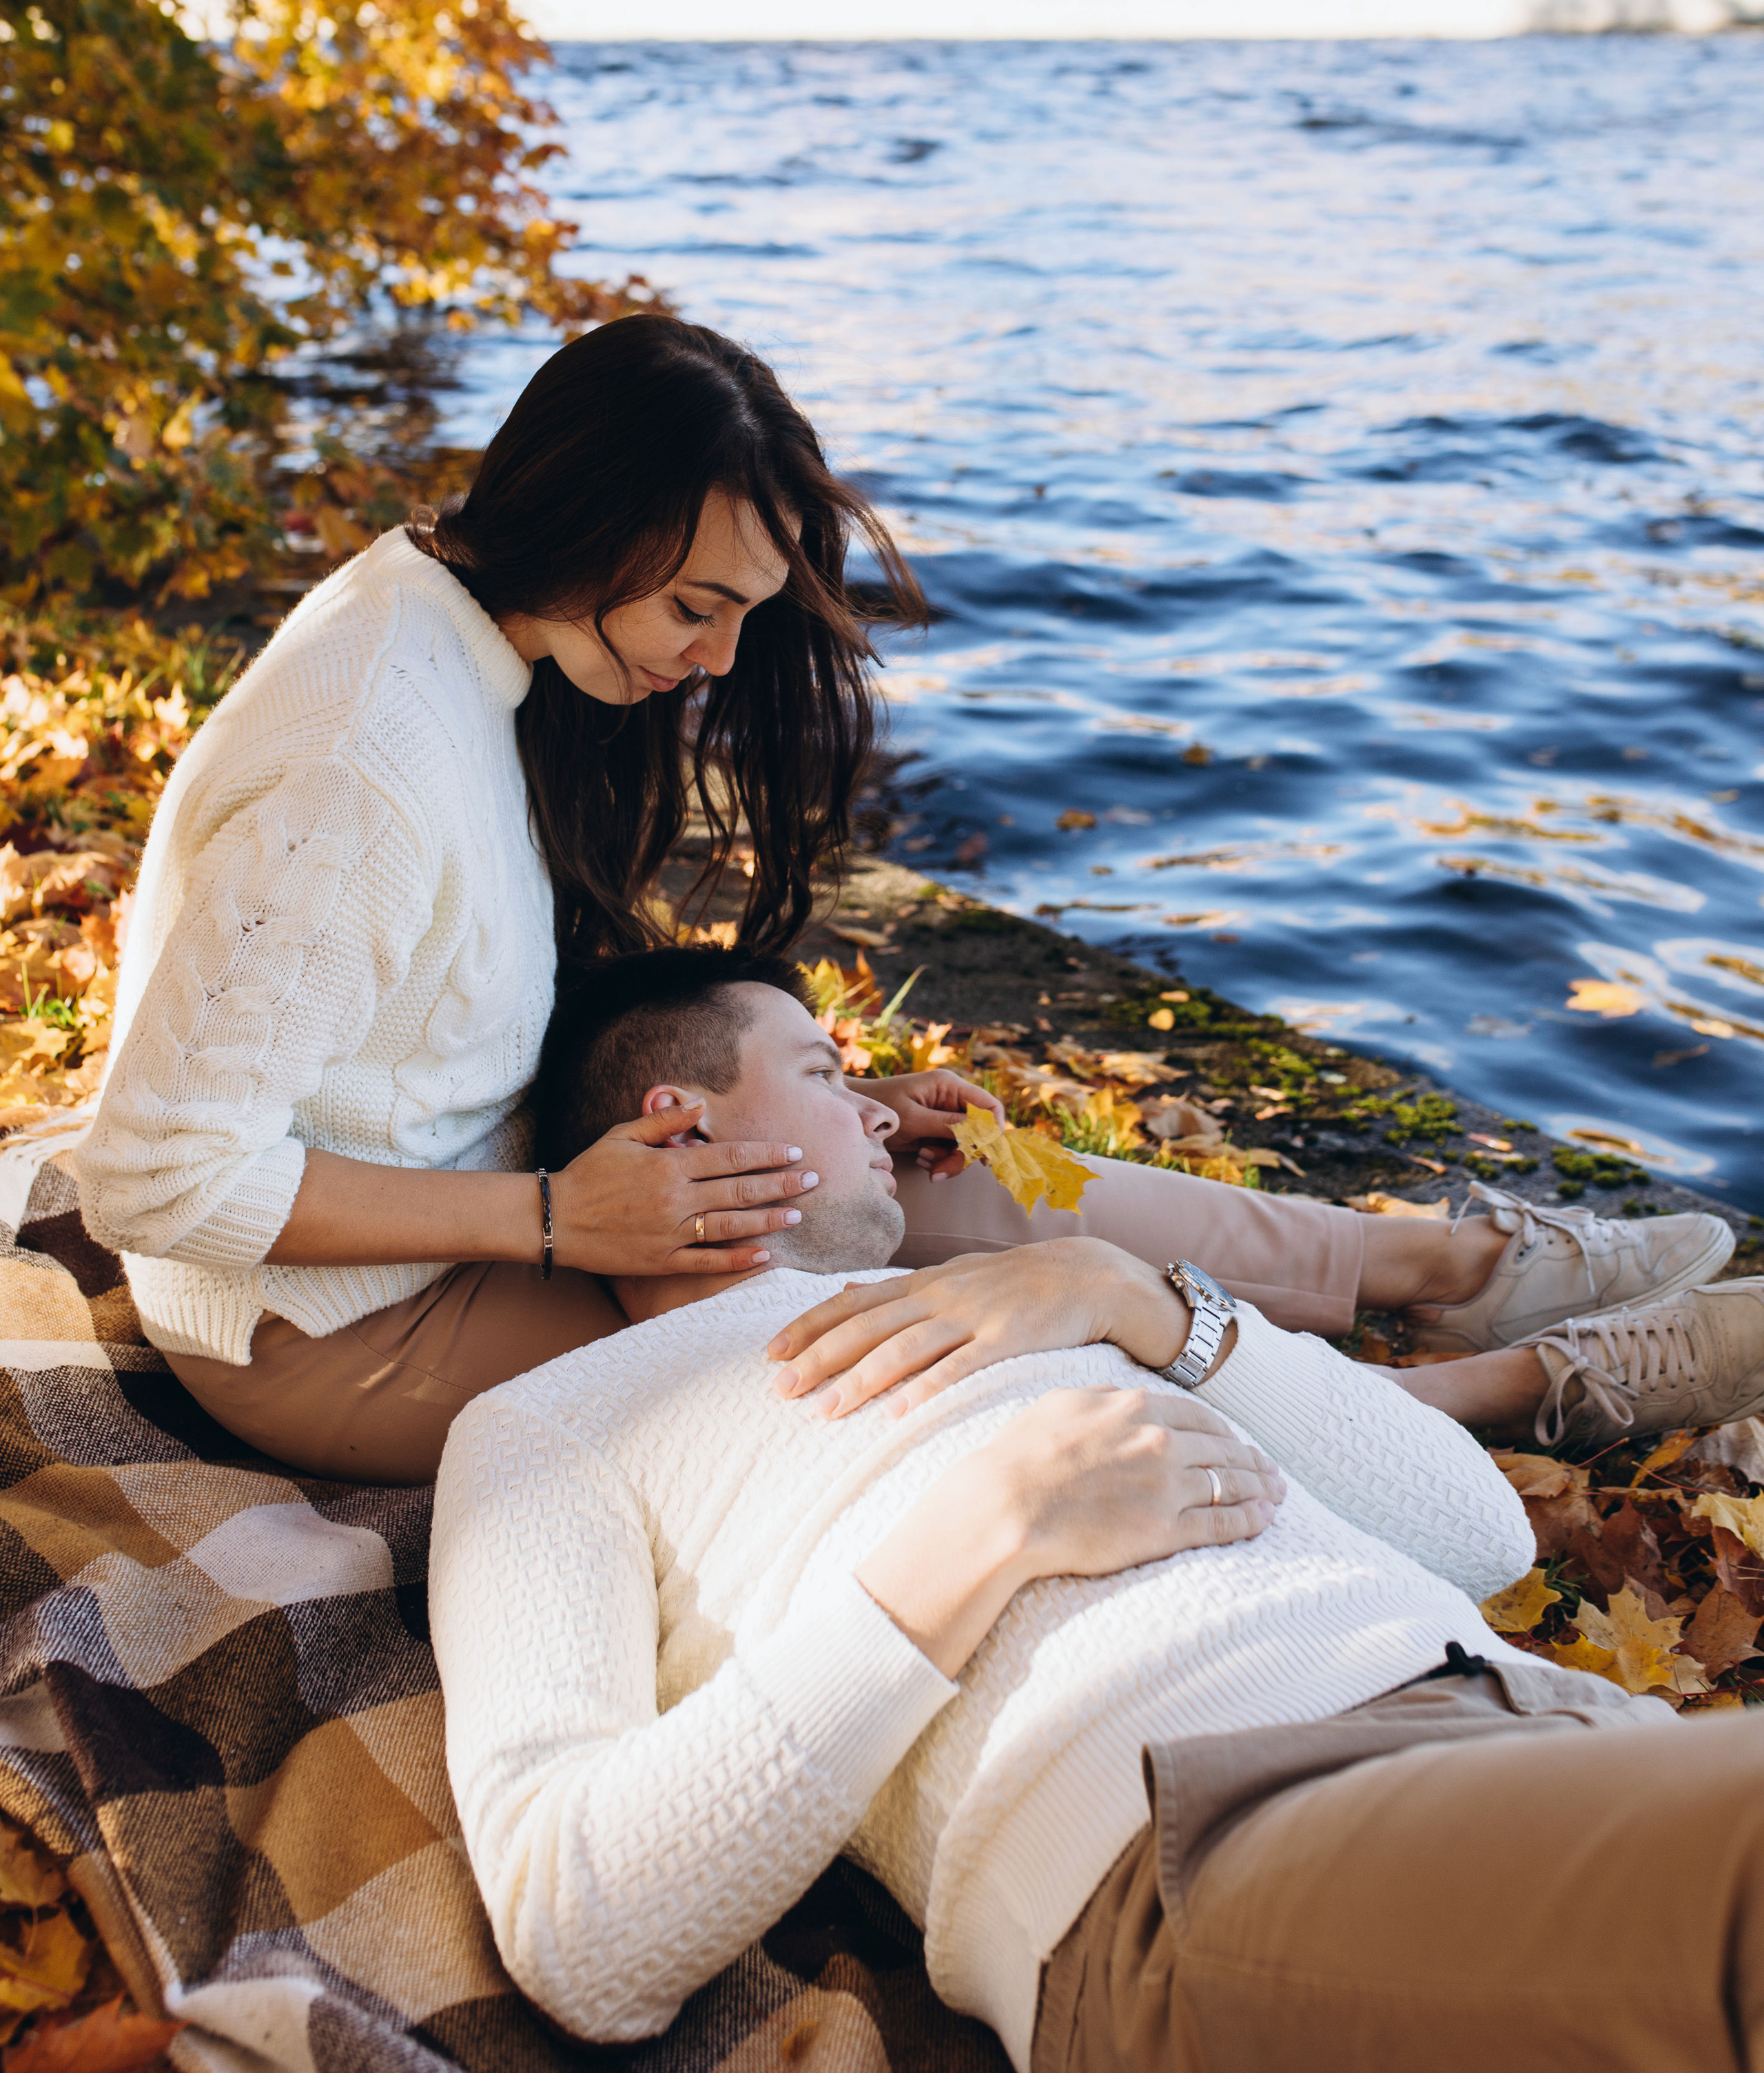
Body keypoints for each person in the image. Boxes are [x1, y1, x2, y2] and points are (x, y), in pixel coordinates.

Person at [69, 317, 1735, 1485]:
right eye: (700, 608)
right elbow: (156, 1176)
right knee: (933, 1350)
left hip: (482, 1196)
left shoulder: (469, 641)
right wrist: (567, 1224)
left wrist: (821, 1116)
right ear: (581, 523)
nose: (720, 659)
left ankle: (1436, 1262)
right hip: (322, 1325)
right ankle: (1508, 1391)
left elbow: (425, 1022)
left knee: (939, 1181)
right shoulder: (356, 766)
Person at [431, 951, 1764, 2073]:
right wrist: (977, 1539)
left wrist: (1137, 1298)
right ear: (681, 1127)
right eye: (832, 1078)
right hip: (1212, 1842)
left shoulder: (1025, 1292)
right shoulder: (555, 1431)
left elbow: (1472, 1527)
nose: (885, 1117)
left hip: (1519, 1714)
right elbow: (579, 1934)